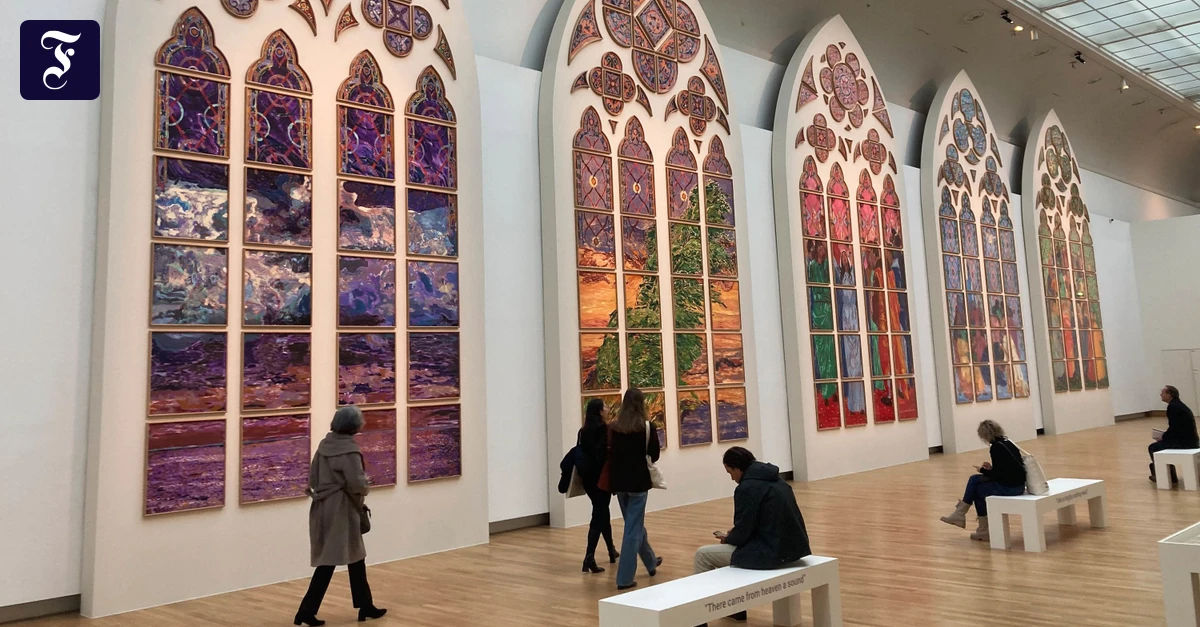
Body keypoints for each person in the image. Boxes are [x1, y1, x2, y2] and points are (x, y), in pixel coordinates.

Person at [692, 447, 812, 627]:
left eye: (730, 472)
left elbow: (742, 533)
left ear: (737, 468)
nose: (731, 478)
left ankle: (699, 619)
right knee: (726, 554)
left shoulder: (746, 488)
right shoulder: (776, 480)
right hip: (794, 547)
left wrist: (728, 538)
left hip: (772, 552)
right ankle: (734, 608)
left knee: (703, 555)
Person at [295, 407, 387, 626]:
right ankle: (306, 611)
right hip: (342, 509)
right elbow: (357, 484)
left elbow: (314, 478)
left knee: (355, 557)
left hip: (323, 507)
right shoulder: (349, 450)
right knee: (331, 561)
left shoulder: (324, 446)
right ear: (354, 425)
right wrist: (364, 489)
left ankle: (365, 605)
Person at [607, 388, 663, 590]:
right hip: (638, 484)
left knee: (634, 525)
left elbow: (611, 455)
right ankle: (624, 579)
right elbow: (654, 454)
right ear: (641, 404)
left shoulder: (614, 427)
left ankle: (650, 561)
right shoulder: (647, 427)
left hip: (620, 484)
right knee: (632, 529)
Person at [939, 420, 1027, 541]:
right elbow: (1006, 469)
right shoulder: (1008, 443)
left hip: (1011, 488)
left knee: (976, 489)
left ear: (985, 435)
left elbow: (998, 475)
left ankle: (969, 521)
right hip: (1018, 485)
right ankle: (964, 518)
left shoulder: (996, 447)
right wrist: (990, 469)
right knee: (975, 482)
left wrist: (983, 470)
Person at [578, 398, 620, 574]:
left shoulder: (583, 431)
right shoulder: (604, 429)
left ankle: (611, 549)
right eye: (605, 406)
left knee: (602, 512)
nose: (608, 408)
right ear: (600, 411)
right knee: (598, 515)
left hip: (588, 479)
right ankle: (589, 558)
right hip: (601, 478)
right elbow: (603, 455)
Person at [1149, 385, 1200, 483]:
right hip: (1191, 440)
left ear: (1169, 395)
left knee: (1153, 447)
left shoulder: (1173, 407)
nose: (1160, 394)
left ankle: (1168, 476)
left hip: (1185, 443)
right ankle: (1168, 474)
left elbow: (1175, 428)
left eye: (1163, 392)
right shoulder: (1178, 405)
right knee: (1158, 445)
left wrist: (1163, 437)